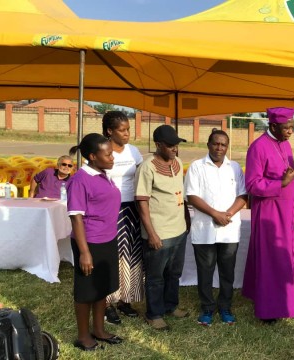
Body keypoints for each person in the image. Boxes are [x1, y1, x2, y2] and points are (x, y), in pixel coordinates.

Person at [242, 107, 294, 323]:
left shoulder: (286, 144)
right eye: (287, 128)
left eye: (292, 127)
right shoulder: (258, 147)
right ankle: (269, 310)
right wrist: (279, 183)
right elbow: (252, 184)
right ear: (273, 126)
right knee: (272, 260)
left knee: (290, 258)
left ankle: (291, 305)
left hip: (289, 212)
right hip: (270, 213)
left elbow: (290, 178)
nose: (291, 131)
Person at [184, 129, 247, 326]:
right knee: (205, 271)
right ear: (208, 145)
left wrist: (226, 214)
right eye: (216, 144)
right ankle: (207, 309)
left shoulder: (235, 167)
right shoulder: (196, 166)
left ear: (227, 147)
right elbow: (191, 196)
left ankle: (226, 308)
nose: (219, 148)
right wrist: (215, 214)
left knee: (227, 272)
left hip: (228, 230)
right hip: (205, 230)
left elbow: (243, 195)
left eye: (223, 145)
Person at [67, 133, 123, 351]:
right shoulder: (80, 180)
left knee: (101, 287)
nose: (112, 157)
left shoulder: (103, 173)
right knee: (85, 291)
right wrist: (84, 252)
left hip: (108, 238)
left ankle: (99, 329)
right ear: (92, 156)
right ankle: (83, 336)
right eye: (107, 154)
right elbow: (76, 217)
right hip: (89, 242)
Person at [135, 124, 191, 331]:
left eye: (176, 145)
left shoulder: (177, 162)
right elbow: (141, 202)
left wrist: (186, 220)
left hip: (179, 230)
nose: (174, 149)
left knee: (174, 273)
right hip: (158, 233)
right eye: (170, 146)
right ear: (158, 145)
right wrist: (151, 233)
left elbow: (180, 195)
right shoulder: (147, 167)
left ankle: (170, 305)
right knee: (155, 276)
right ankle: (154, 314)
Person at [101, 111, 144, 325]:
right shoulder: (102, 150)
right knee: (113, 255)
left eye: (128, 129)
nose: (128, 133)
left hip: (132, 209)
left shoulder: (133, 151)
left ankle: (126, 300)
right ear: (110, 131)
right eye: (122, 130)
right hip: (109, 210)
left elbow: (142, 178)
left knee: (131, 254)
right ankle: (107, 302)